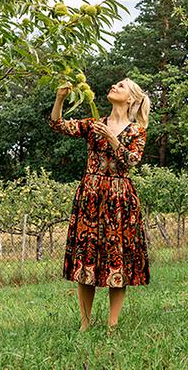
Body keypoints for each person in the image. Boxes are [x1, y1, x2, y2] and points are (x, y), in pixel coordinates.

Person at [49, 78, 151, 331]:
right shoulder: (95, 124)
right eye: (115, 84)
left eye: (121, 86)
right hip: (91, 196)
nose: (114, 87)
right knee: (87, 257)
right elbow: (58, 124)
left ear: (130, 98)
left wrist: (113, 139)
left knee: (118, 258)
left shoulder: (136, 130)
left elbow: (132, 160)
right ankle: (85, 324)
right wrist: (60, 98)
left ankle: (112, 325)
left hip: (120, 198)